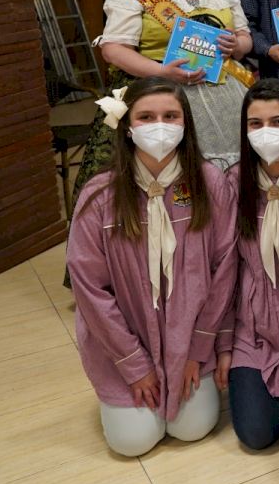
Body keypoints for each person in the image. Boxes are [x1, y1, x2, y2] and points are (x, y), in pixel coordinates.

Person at [67, 77, 237, 457]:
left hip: (190, 342)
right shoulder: (100, 195)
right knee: (132, 442)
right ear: (127, 126)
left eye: (170, 116)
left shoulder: (209, 183)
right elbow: (90, 287)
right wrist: (134, 365)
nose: (159, 126)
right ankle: (126, 387)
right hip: (125, 344)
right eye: (146, 117)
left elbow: (225, 268)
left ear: (185, 124)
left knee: (192, 429)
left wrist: (198, 349)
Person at [75, 0, 254, 197]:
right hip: (158, 91)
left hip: (224, 94)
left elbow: (245, 38)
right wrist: (162, 72)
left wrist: (236, 46)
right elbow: (113, 50)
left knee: (230, 178)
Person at [222, 79, 279, 450]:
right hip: (254, 327)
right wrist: (222, 343)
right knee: (256, 435)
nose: (266, 132)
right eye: (255, 124)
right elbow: (224, 269)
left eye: (278, 122)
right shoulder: (233, 182)